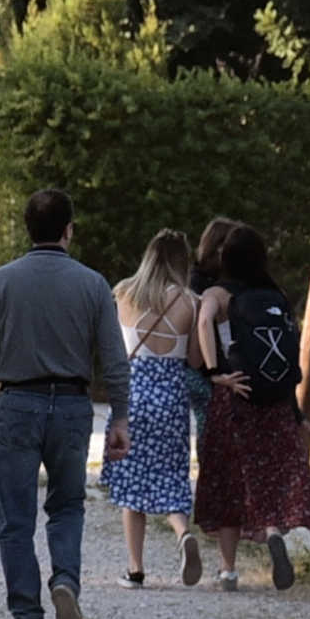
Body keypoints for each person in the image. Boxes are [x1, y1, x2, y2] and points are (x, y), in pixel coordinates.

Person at [0, 189, 131, 619]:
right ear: (69, 230)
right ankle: (66, 581)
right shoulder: (92, 284)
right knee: (68, 504)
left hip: (17, 402)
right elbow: (114, 358)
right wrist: (121, 417)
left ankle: (26, 616)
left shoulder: (1, 281)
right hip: (72, 405)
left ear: (28, 228)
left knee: (15, 515)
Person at [194, 223, 310, 591]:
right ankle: (272, 531)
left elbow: (203, 320)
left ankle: (227, 570)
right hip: (273, 401)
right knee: (267, 474)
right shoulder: (275, 294)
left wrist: (213, 371)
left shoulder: (218, 294)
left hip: (235, 396)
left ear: (225, 258)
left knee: (229, 481)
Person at [101, 229, 205, 590]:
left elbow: (113, 350)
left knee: (133, 485)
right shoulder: (191, 303)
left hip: (132, 397)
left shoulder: (124, 293)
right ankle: (182, 533)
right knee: (172, 475)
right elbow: (193, 359)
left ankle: (135, 568)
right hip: (172, 398)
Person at [188, 216, 242, 447]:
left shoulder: (206, 280)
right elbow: (203, 326)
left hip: (215, 370)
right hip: (205, 371)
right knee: (213, 438)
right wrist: (214, 372)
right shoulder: (202, 286)